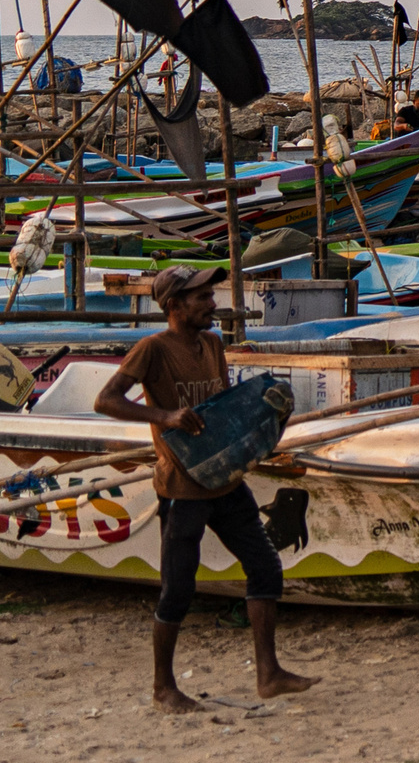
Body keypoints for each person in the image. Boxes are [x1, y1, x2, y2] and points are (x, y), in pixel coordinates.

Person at [94, 266, 314, 713]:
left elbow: (227, 407)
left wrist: (263, 428)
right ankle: (163, 688)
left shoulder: (213, 344)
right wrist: (166, 417)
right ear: (175, 306)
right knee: (177, 589)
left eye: (211, 294)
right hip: (182, 486)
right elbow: (106, 400)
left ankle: (268, 673)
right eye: (202, 297)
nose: (213, 303)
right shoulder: (152, 349)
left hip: (226, 480)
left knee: (266, 567)